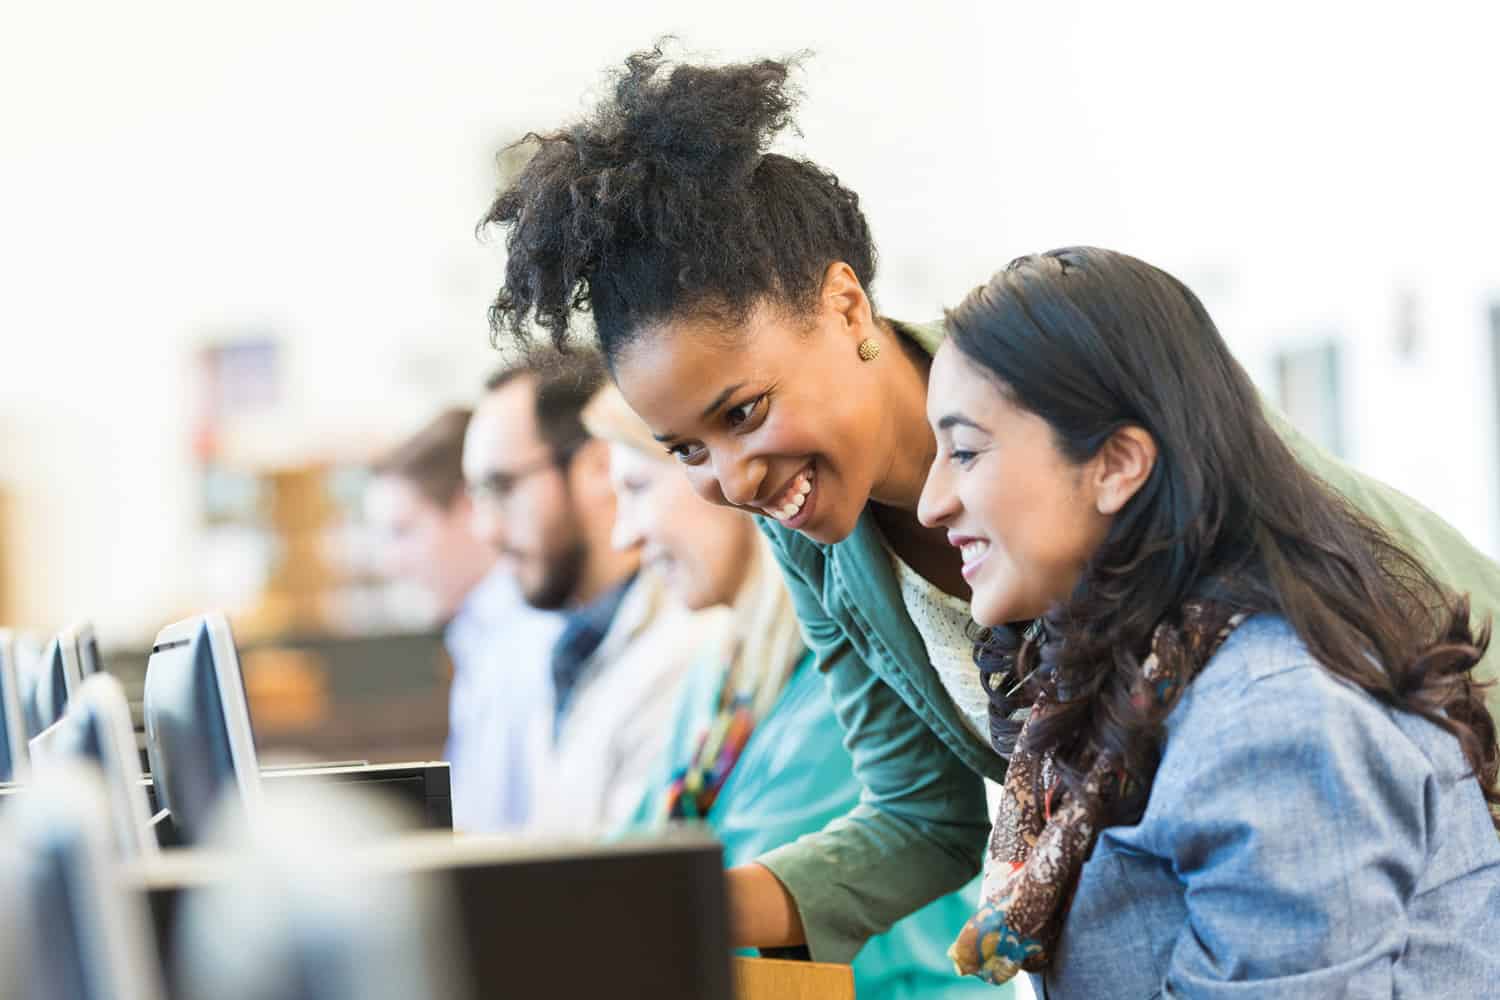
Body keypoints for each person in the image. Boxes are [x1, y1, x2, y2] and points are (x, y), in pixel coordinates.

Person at [479, 48, 1500, 972]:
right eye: (687, 450)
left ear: (845, 307)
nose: (734, 480)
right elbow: (922, 818)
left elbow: (1339, 685)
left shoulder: (1077, 394)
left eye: (744, 412)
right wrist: (642, 904)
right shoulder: (818, 535)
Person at [925, 247, 1500, 995]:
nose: (931, 502)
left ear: (1117, 463)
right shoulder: (1148, 682)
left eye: (966, 451)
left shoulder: (1272, 719)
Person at [584, 384, 1001, 999]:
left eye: (638, 489)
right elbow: (632, 864)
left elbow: (726, 904)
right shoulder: (722, 676)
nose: (622, 537)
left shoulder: (842, 680)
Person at [463, 350, 722, 833]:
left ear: (596, 467)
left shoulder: (689, 643)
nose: (486, 529)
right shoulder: (572, 643)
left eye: (501, 487)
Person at [366, 408, 560, 832]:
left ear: (468, 508)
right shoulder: (481, 637)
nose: (389, 563)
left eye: (403, 531)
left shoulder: (532, 638)